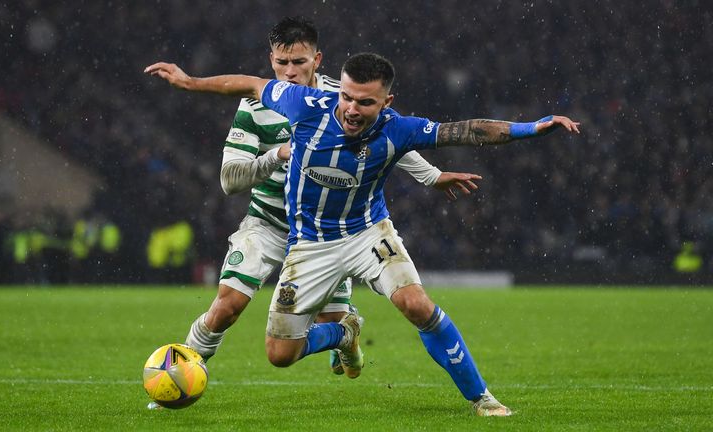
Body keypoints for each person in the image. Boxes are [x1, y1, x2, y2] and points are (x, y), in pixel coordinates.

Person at [145, 51, 580, 417]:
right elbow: (250, 84)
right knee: (280, 355)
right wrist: (189, 82)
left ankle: (481, 397)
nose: (352, 109)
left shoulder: (398, 128)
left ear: (386, 102)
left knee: (416, 305)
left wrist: (532, 128)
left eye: (366, 103)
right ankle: (343, 332)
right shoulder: (303, 105)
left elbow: (464, 130)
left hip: (367, 234)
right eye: (347, 98)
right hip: (309, 246)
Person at [179, 17, 481, 376]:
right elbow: (230, 181)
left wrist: (432, 177)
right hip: (270, 223)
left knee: (335, 339)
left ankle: (343, 333)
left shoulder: (343, 97)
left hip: (326, 231)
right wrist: (276, 155)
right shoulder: (254, 106)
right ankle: (179, 373)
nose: (289, 72)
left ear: (317, 60)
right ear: (271, 59)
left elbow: (391, 136)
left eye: (299, 62)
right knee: (226, 308)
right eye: (281, 62)